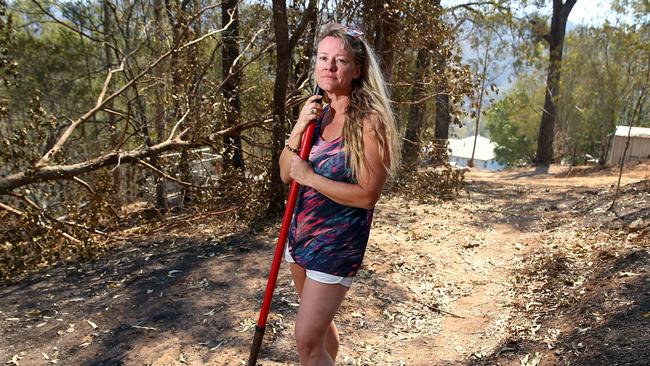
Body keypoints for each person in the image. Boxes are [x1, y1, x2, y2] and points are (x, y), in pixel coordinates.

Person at [278, 22, 400, 365]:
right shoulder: (317, 111)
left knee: (305, 341)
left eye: (340, 61)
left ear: (357, 69)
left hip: (336, 244)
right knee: (320, 330)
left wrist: (311, 178)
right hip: (301, 237)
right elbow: (286, 173)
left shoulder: (369, 121)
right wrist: (299, 126)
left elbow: (367, 196)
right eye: (323, 58)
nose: (329, 67)